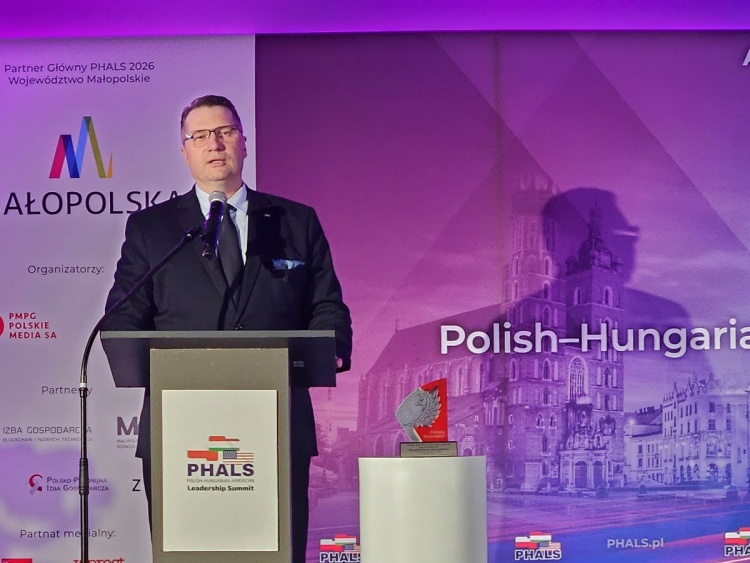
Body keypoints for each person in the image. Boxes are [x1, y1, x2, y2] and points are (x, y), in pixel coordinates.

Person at [102, 94, 352, 563]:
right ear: (185, 151)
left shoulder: (296, 221)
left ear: (243, 142)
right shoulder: (152, 229)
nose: (213, 144)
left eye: (224, 132)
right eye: (199, 136)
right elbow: (123, 317)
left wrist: (330, 344)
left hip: (277, 422)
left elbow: (327, 307)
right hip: (180, 426)